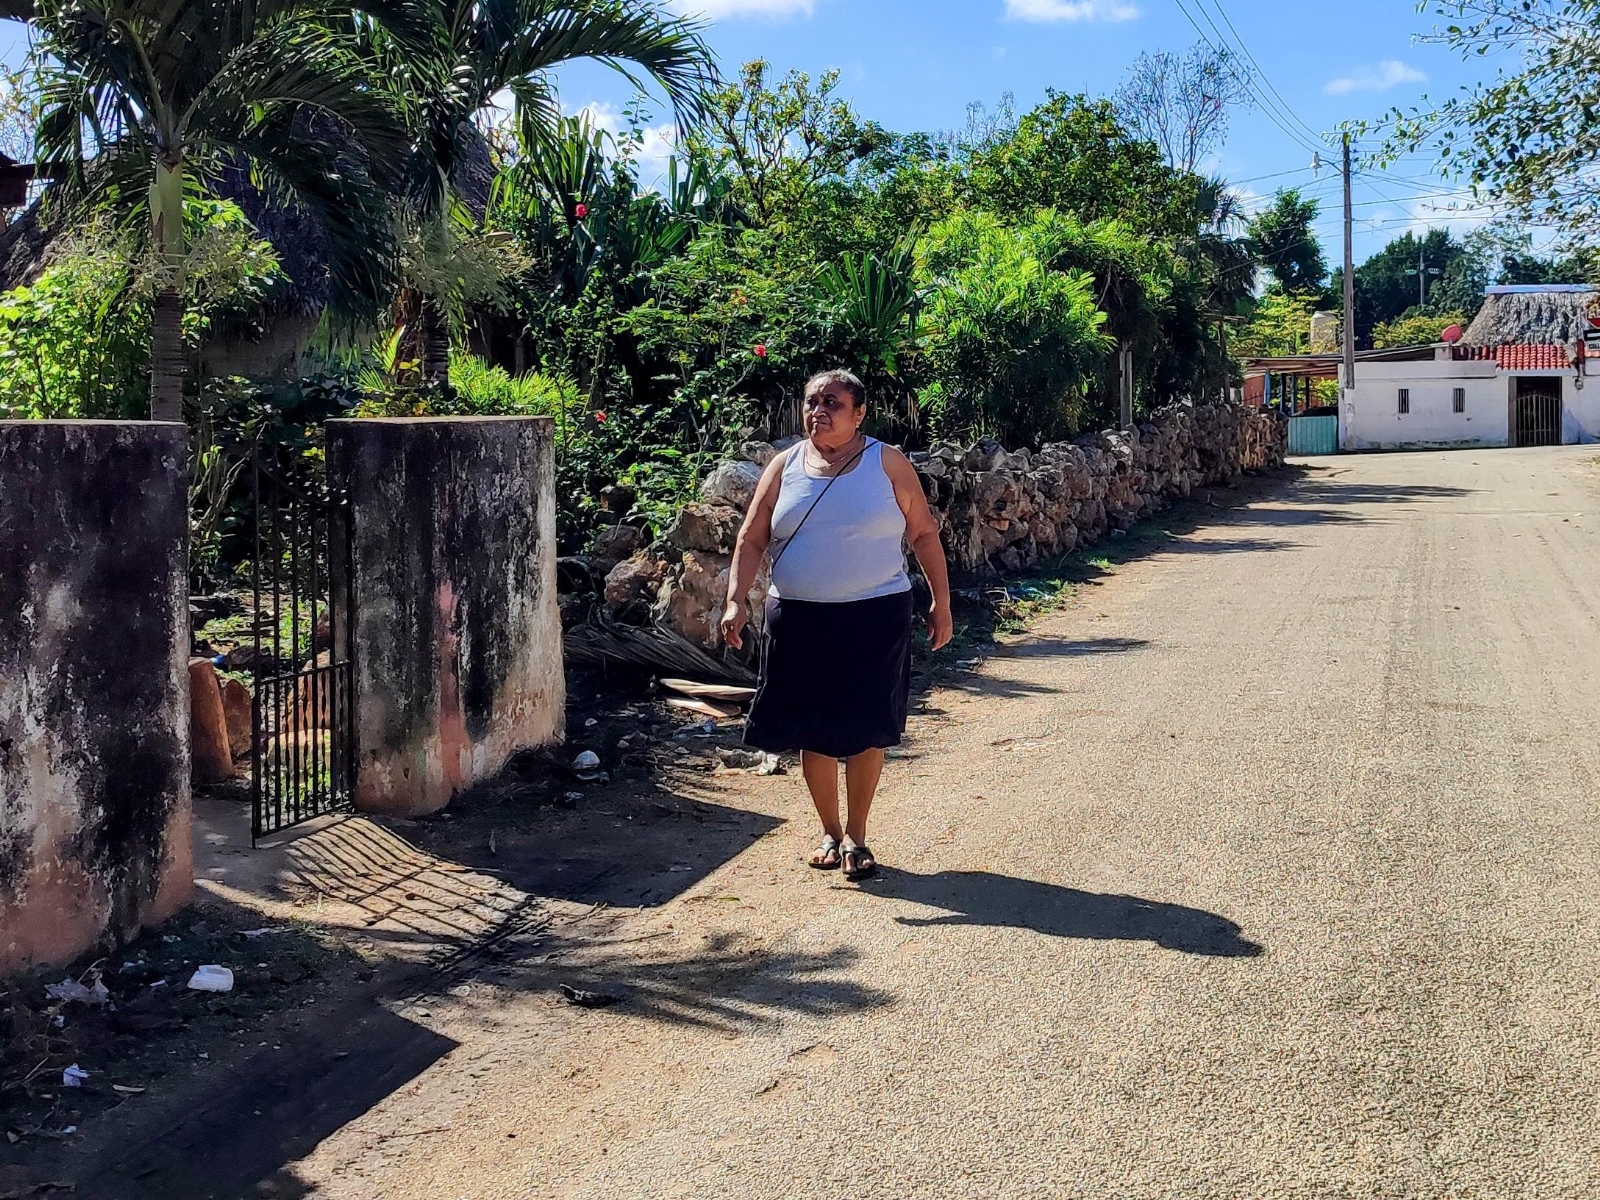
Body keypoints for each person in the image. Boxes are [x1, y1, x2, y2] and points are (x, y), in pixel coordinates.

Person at [720, 369, 953, 881]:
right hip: (798, 616)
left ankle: (858, 836)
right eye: (811, 402)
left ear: (859, 413)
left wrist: (942, 602)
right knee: (813, 727)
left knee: (869, 723)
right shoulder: (785, 466)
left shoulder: (886, 463)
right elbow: (752, 537)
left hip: (874, 614)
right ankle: (828, 831)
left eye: (832, 403)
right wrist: (736, 601)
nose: (817, 411)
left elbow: (924, 533)